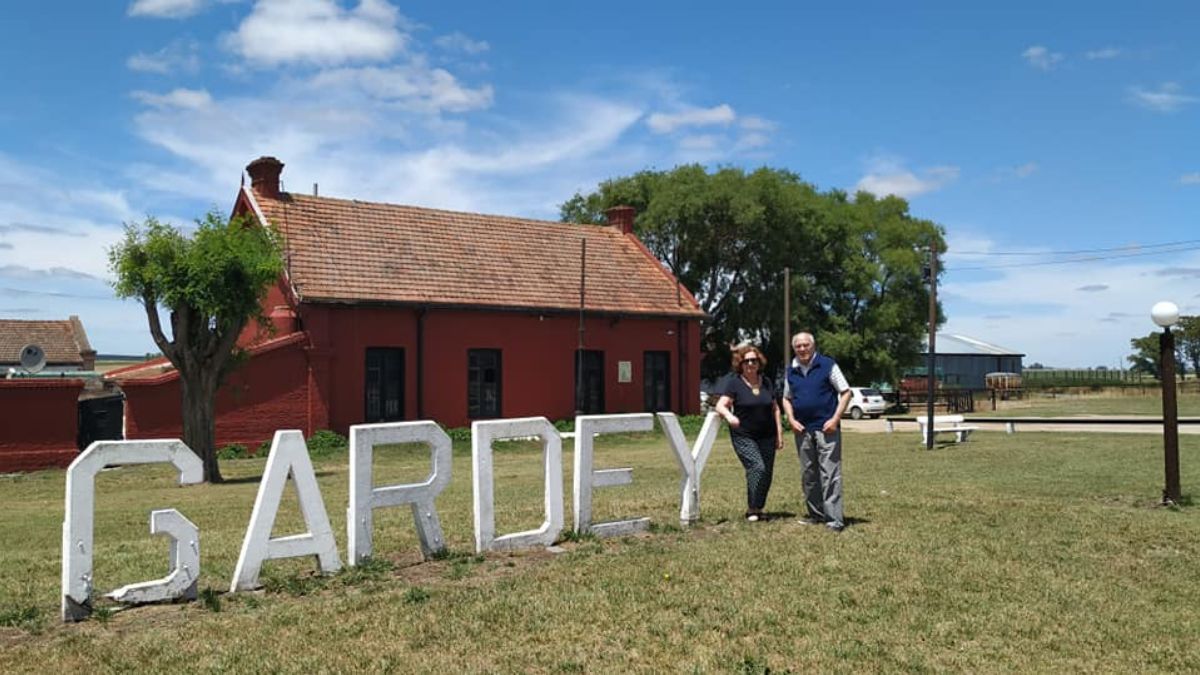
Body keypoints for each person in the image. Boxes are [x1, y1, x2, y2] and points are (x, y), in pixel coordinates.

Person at [781, 331, 852, 532]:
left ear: (813, 346)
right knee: (809, 474)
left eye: (806, 345)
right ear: (794, 348)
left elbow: (846, 392)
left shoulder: (828, 365)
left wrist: (835, 419)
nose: (802, 349)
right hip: (802, 430)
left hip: (827, 428)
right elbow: (786, 398)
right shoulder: (790, 371)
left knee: (830, 473)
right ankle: (816, 514)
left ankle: (834, 520)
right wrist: (791, 420)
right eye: (798, 346)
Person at [715, 345, 784, 522]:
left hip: (767, 435)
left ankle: (757, 508)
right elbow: (720, 405)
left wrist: (779, 434)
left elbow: (775, 409)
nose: (751, 364)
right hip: (744, 435)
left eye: (754, 360)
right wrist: (730, 416)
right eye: (747, 361)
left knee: (766, 473)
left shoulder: (767, 382)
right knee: (756, 467)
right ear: (741, 364)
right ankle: (752, 508)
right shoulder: (735, 383)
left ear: (759, 363)